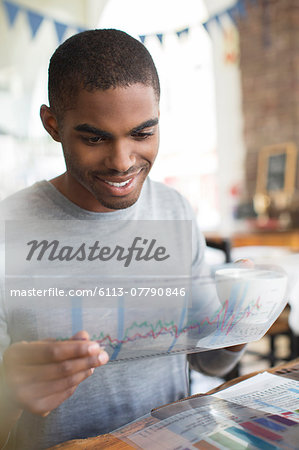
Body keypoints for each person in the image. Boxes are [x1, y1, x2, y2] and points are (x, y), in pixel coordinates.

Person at [0, 29, 245, 449]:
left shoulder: (174, 211)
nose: (122, 162)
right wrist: (8, 392)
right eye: (95, 138)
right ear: (52, 124)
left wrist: (239, 319)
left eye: (142, 133)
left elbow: (208, 358)